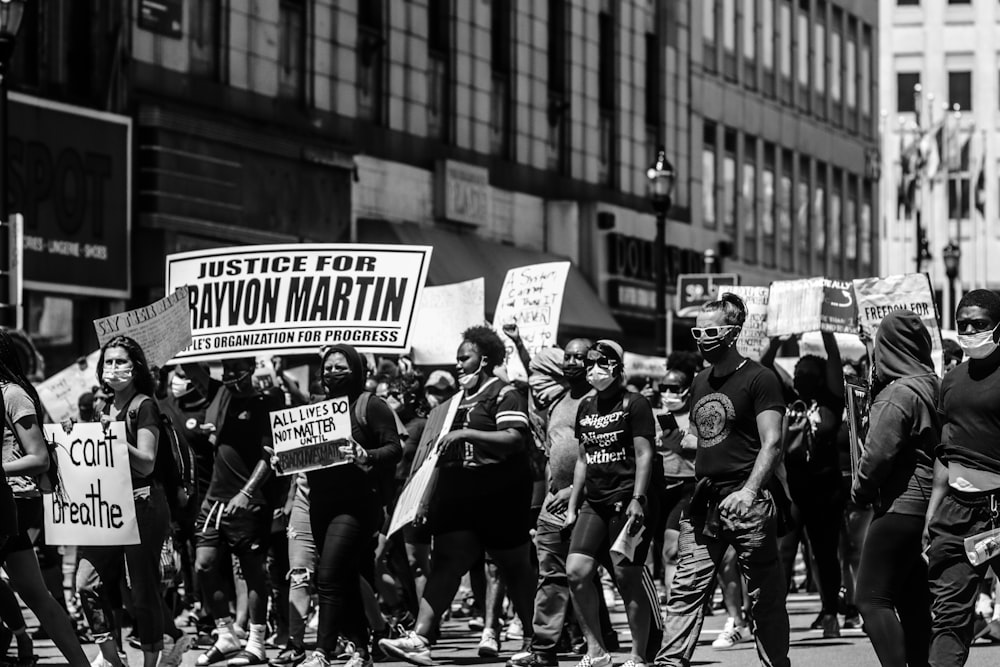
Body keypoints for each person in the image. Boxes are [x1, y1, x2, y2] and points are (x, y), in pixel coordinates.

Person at [379, 326, 536, 665]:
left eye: (465, 358)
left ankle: (535, 642)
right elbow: (436, 455)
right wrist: (422, 499)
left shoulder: (504, 394)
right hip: (459, 495)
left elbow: (514, 439)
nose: (459, 365)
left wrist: (467, 433)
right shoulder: (453, 404)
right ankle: (420, 638)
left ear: (485, 360)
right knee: (447, 563)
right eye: (457, 359)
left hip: (501, 495)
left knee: (514, 567)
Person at [655, 293, 789, 667]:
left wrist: (750, 491)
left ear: (733, 332)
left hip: (747, 504)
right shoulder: (699, 380)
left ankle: (777, 663)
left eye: (711, 330)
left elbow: (773, 443)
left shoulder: (760, 378)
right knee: (684, 589)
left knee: (764, 594)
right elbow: (710, 439)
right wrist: (679, 441)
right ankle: (669, 662)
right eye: (698, 331)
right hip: (705, 502)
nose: (702, 338)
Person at [290, 344, 402, 667]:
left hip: (357, 506)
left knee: (327, 575)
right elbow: (304, 457)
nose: (332, 374)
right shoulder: (317, 411)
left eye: (341, 367)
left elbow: (394, 449)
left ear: (356, 369)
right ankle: (362, 649)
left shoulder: (371, 405)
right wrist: (282, 459)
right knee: (347, 576)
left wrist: (366, 455)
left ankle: (322, 652)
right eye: (328, 368)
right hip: (321, 504)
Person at [564, 339, 662, 667]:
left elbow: (644, 453)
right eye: (589, 363)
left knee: (626, 576)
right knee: (576, 571)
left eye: (601, 362)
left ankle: (637, 656)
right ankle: (596, 650)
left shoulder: (635, 404)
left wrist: (638, 498)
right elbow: (582, 459)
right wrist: (571, 506)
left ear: (617, 367)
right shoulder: (586, 407)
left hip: (627, 501)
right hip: (594, 502)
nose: (593, 369)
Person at [76, 336, 171, 667]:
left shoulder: (145, 406)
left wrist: (114, 438)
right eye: (108, 362)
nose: (113, 368)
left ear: (137, 368)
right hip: (107, 508)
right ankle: (113, 660)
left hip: (142, 506)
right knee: (85, 582)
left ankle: (150, 661)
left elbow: (146, 462)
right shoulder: (103, 407)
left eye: (121, 362)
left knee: (141, 591)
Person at [851, 310, 939, 667]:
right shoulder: (932, 384)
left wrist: (858, 493)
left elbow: (877, 456)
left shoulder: (898, 394)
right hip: (926, 505)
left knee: (870, 600)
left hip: (899, 506)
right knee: (912, 600)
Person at [183, 358, 285, 666]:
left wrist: (247, 492)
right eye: (225, 371)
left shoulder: (266, 403)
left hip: (248, 501)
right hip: (214, 499)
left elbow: (269, 457)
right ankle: (225, 635)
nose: (230, 377)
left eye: (236, 370)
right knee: (204, 565)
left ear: (251, 368)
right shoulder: (218, 393)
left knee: (253, 572)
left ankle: (256, 642)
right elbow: (190, 369)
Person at [0, 329, 89, 667]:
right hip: (7, 503)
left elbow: (40, 458)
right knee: (36, 594)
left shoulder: (13, 395)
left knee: (37, 593)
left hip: (15, 503)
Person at [926, 289, 1000, 665]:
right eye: (964, 324)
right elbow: (946, 449)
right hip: (957, 512)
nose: (970, 331)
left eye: (980, 324)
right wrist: (933, 510)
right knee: (949, 617)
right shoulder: (951, 381)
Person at [762, 333, 845, 637]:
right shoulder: (789, 398)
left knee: (824, 553)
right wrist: (776, 340)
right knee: (784, 550)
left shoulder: (831, 399)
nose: (802, 376)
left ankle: (830, 612)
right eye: (799, 372)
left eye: (809, 372)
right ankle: (776, 614)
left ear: (822, 377)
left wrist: (827, 334)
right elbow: (764, 364)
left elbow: (834, 360)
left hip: (826, 488)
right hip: (793, 488)